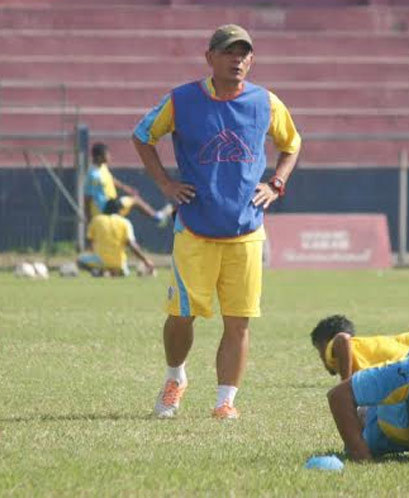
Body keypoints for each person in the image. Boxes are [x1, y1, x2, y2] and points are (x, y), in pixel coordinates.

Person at [132, 24, 301, 419]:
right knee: (180, 316)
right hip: (194, 229)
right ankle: (175, 378)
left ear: (252, 60)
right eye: (228, 52)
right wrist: (165, 183)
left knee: (238, 322)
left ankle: (226, 402)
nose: (237, 60)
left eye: (244, 53)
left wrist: (276, 184)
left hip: (246, 231)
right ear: (209, 57)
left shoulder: (267, 103)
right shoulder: (182, 100)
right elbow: (142, 136)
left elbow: (291, 145)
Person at [86, 142, 172, 227]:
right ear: (99, 157)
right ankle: (157, 217)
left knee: (132, 204)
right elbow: (87, 197)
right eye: (107, 154)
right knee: (135, 201)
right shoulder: (93, 175)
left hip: (112, 205)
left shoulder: (102, 167)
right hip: (106, 209)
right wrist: (89, 219)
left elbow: (112, 180)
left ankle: (157, 217)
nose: (109, 157)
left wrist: (126, 188)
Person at [77, 198, 156, 277]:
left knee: (80, 260)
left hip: (100, 261)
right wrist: (145, 260)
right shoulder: (124, 222)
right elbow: (132, 245)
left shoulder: (96, 220)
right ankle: (117, 271)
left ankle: (99, 271)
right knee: (121, 268)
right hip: (119, 263)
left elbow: (89, 242)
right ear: (119, 210)